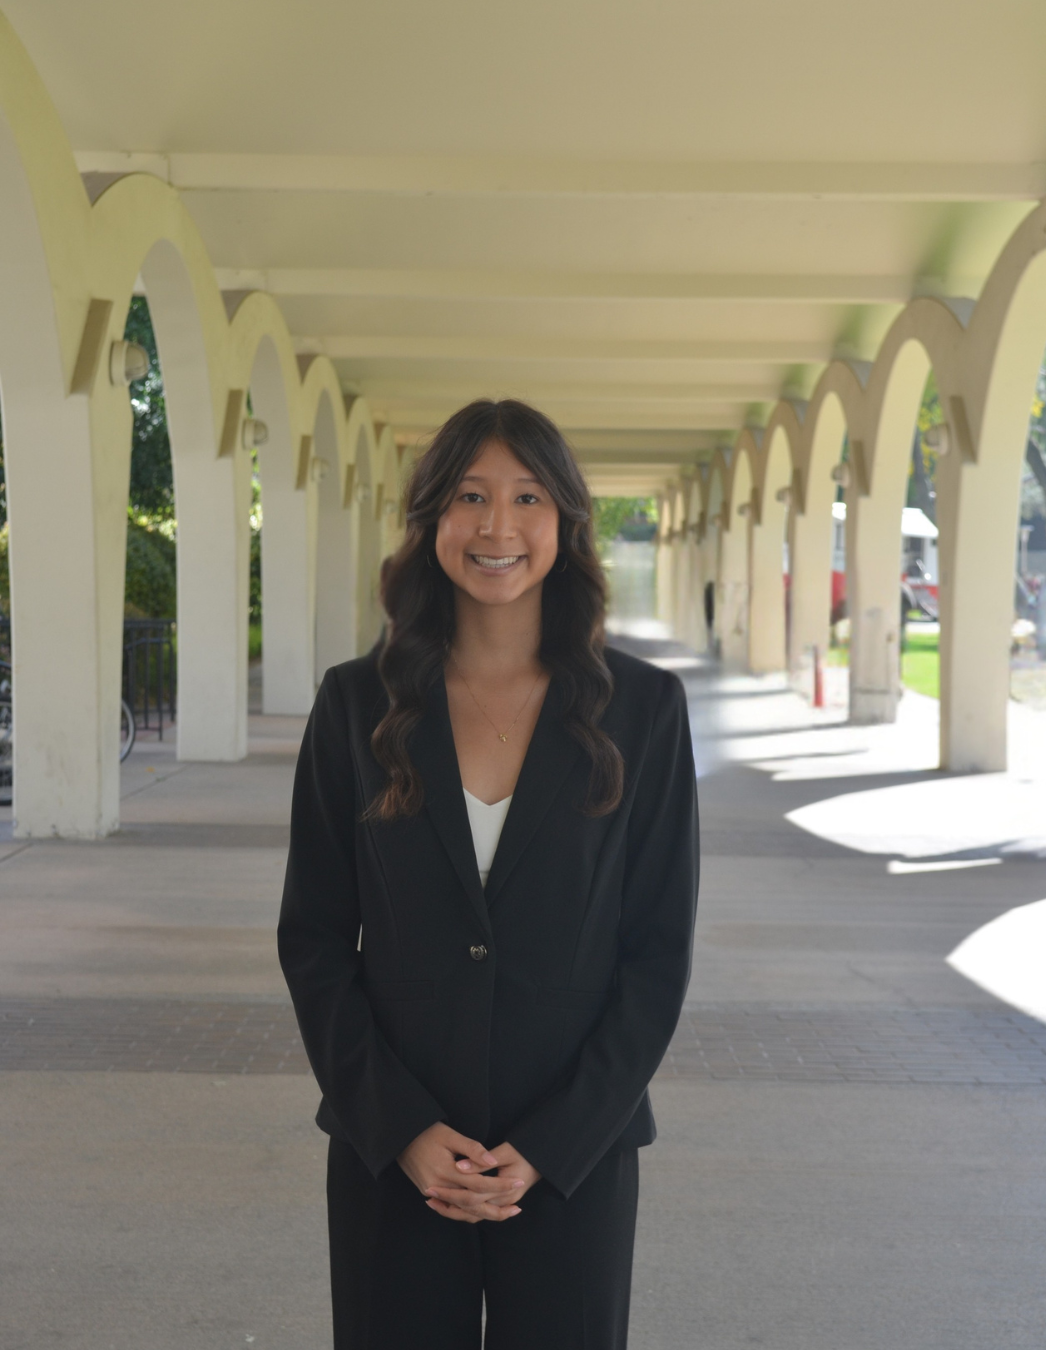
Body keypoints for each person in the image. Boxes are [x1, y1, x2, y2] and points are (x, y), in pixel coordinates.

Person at [278, 398, 699, 1349]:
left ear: (566, 523)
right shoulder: (357, 704)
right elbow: (313, 941)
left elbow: (657, 955)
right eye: (470, 496)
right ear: (432, 520)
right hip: (396, 1159)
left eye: (528, 497)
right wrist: (401, 1129)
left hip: (571, 1164)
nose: (497, 527)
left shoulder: (643, 710)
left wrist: (554, 1147)